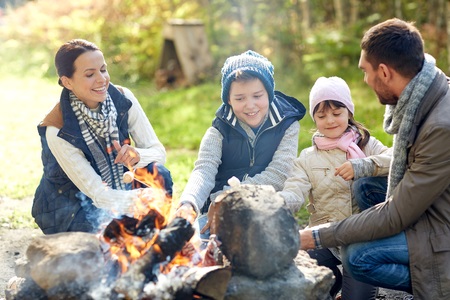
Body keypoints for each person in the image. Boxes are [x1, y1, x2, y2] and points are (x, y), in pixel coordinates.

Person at [299, 18, 450, 299]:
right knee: (365, 186)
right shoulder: (425, 96)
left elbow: (395, 214)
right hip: (432, 206)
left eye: (365, 72)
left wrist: (315, 236)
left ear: (383, 71)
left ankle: (440, 281)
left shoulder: (441, 126)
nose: (365, 80)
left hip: (442, 227)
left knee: (357, 256)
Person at [32, 39, 173, 234]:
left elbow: (158, 152)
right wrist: (142, 200)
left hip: (119, 190)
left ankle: (151, 237)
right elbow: (97, 193)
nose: (102, 79)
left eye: (103, 70)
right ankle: (138, 234)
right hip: (73, 206)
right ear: (67, 82)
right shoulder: (57, 129)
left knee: (159, 174)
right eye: (90, 74)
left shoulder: (123, 98)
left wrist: (138, 156)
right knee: (108, 238)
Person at [279, 76, 391, 299]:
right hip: (325, 239)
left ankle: (359, 283)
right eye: (321, 116)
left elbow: (396, 157)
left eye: (337, 113)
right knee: (299, 283)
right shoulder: (308, 158)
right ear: (315, 119)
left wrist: (363, 166)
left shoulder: (366, 145)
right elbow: (294, 190)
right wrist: (277, 204)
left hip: (360, 241)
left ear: (349, 113)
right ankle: (332, 280)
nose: (330, 120)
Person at [175, 50, 306, 236]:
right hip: (220, 211)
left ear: (269, 94)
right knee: (194, 244)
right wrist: (188, 202)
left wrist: (230, 197)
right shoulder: (219, 130)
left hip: (264, 208)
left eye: (257, 96)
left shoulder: (287, 124)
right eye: (240, 98)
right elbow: (204, 170)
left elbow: (279, 173)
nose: (250, 105)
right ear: (228, 99)